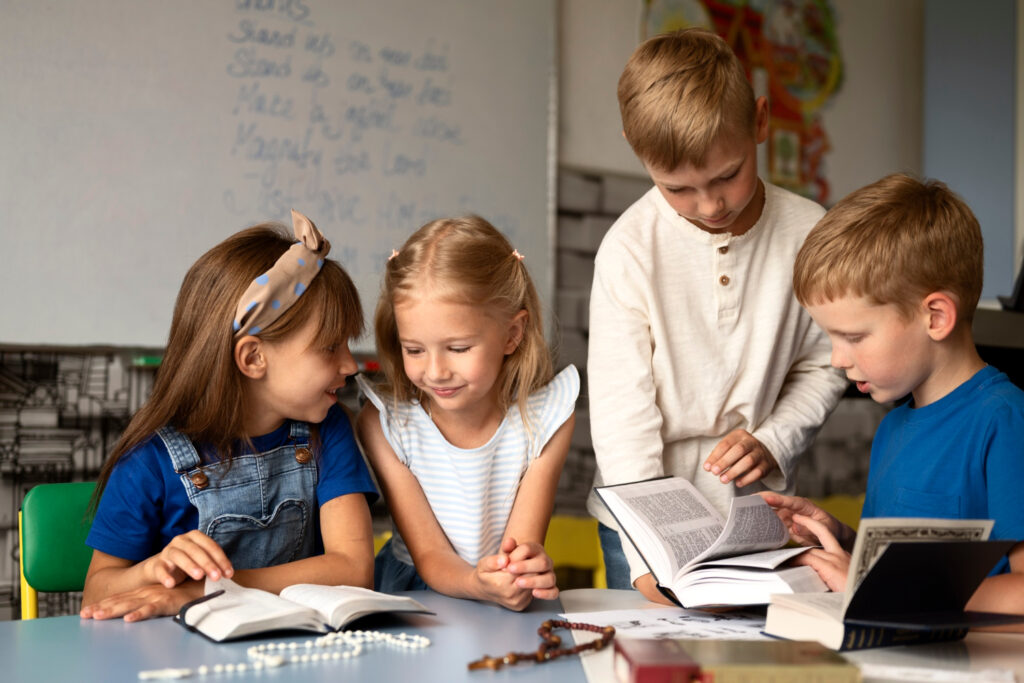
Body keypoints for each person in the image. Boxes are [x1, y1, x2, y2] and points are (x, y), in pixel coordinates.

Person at [587, 27, 846, 603]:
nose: (709, 206)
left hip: (758, 519)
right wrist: (647, 558)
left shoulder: (811, 233)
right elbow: (622, 424)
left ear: (760, 121)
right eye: (677, 188)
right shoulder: (629, 249)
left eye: (727, 175)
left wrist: (774, 439)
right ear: (635, 148)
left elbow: (828, 363)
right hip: (639, 528)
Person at [80, 210, 378, 622]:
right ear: (253, 357)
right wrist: (150, 572)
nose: (351, 365)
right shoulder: (148, 461)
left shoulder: (327, 430)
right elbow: (95, 593)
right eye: (331, 347)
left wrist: (203, 591)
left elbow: (353, 569)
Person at [759, 173, 1024, 619]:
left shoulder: (1003, 422)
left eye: (854, 336)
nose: (837, 359)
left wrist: (876, 588)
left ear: (936, 317)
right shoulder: (894, 427)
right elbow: (895, 565)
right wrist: (842, 540)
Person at [356, 215, 576, 611]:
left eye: (458, 349)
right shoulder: (386, 425)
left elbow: (521, 544)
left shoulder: (545, 420)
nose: (436, 371)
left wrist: (520, 570)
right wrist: (478, 582)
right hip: (414, 597)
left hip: (495, 598)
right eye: (414, 349)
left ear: (512, 334)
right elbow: (430, 557)